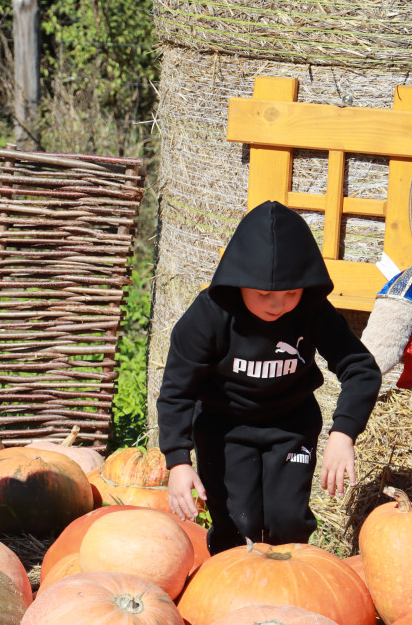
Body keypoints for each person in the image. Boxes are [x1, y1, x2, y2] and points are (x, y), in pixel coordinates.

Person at [158, 200, 380, 554]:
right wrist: (178, 461)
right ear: (238, 282)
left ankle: (287, 595)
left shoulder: (313, 312)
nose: (279, 305)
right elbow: (177, 391)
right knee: (237, 524)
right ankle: (230, 594)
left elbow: (361, 369)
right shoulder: (208, 317)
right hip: (224, 427)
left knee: (287, 521)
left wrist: (343, 434)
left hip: (291, 426)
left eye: (291, 293)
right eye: (264, 295)